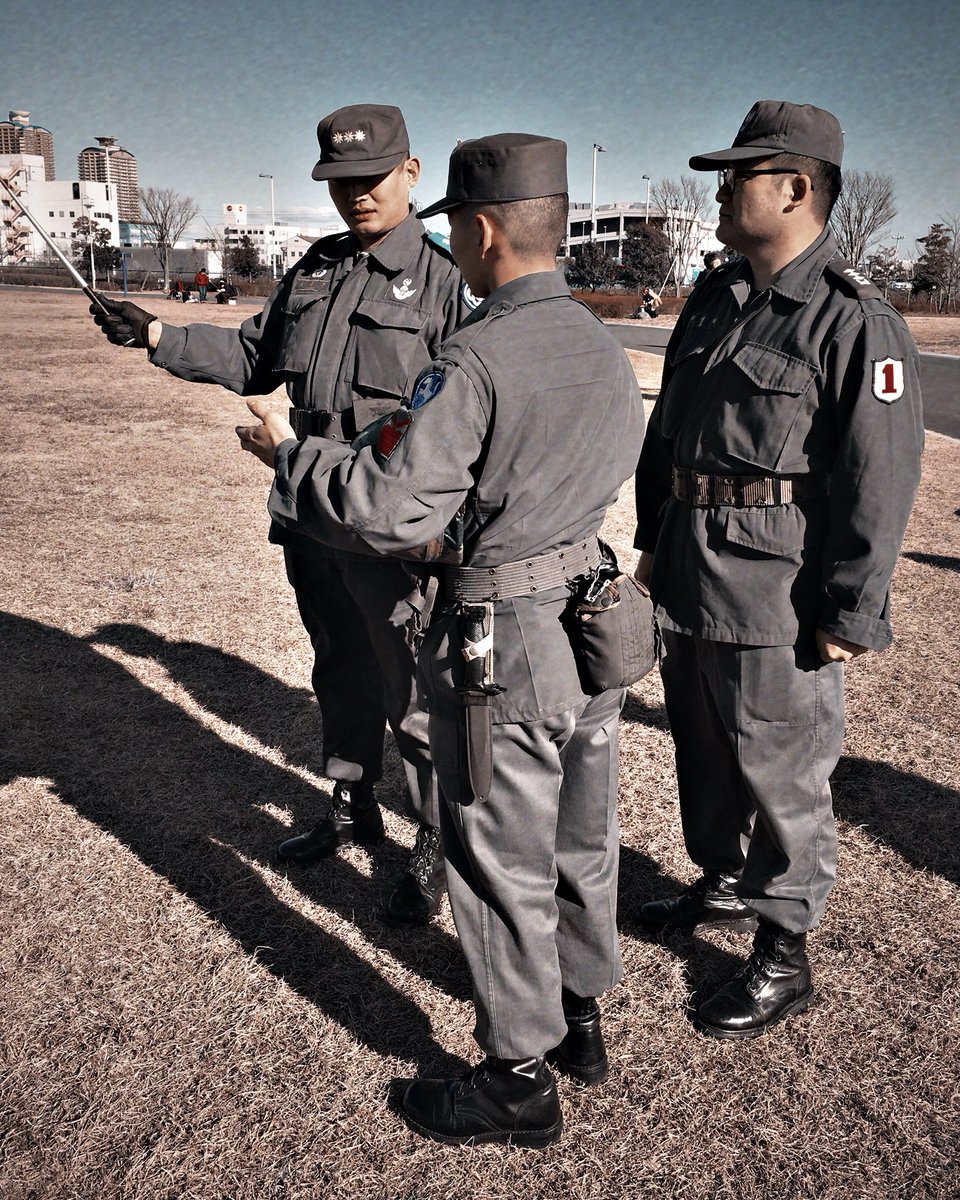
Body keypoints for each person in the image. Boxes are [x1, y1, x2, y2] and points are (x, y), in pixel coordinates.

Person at [235, 133, 645, 1147]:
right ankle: (581, 1020)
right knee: (581, 840)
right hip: (588, 624)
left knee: (498, 855)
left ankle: (517, 1078)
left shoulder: (475, 355)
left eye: (452, 224)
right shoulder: (602, 346)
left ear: (481, 228)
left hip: (501, 639)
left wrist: (291, 460)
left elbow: (392, 511)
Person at [89, 104, 475, 926]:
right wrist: (157, 333)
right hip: (309, 512)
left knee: (411, 688)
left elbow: (466, 422)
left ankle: (436, 836)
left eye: (371, 178)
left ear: (411, 172)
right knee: (339, 665)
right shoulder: (315, 271)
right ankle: (350, 800)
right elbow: (252, 355)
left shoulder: (447, 286)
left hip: (385, 525)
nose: (355, 196)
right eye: (339, 183)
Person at [633, 100, 923, 1039]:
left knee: (782, 770)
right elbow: (664, 434)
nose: (721, 193)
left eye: (737, 177)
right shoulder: (715, 299)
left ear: (795, 188)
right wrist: (650, 540)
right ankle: (719, 881)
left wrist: (851, 608)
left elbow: (879, 478)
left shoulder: (855, 321)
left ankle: (784, 952)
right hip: (687, 567)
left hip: (776, 591)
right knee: (704, 748)